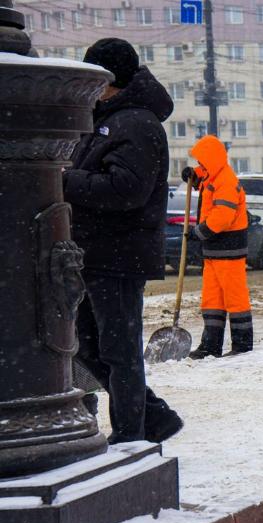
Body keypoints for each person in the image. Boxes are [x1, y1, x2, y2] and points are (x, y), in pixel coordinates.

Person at [65, 38, 182, 444]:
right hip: (94, 252)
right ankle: (154, 416)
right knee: (85, 347)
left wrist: (64, 181)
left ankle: (131, 436)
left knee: (119, 352)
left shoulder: (135, 122)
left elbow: (127, 189)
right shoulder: (105, 119)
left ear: (110, 79)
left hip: (118, 254)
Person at [182, 135, 253, 359]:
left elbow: (223, 216)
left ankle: (242, 345)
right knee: (212, 299)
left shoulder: (226, 181)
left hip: (229, 250)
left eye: (202, 162)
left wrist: (198, 232)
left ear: (211, 160)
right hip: (214, 250)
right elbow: (204, 176)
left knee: (235, 298)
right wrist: (193, 175)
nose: (200, 166)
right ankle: (210, 345)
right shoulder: (214, 175)